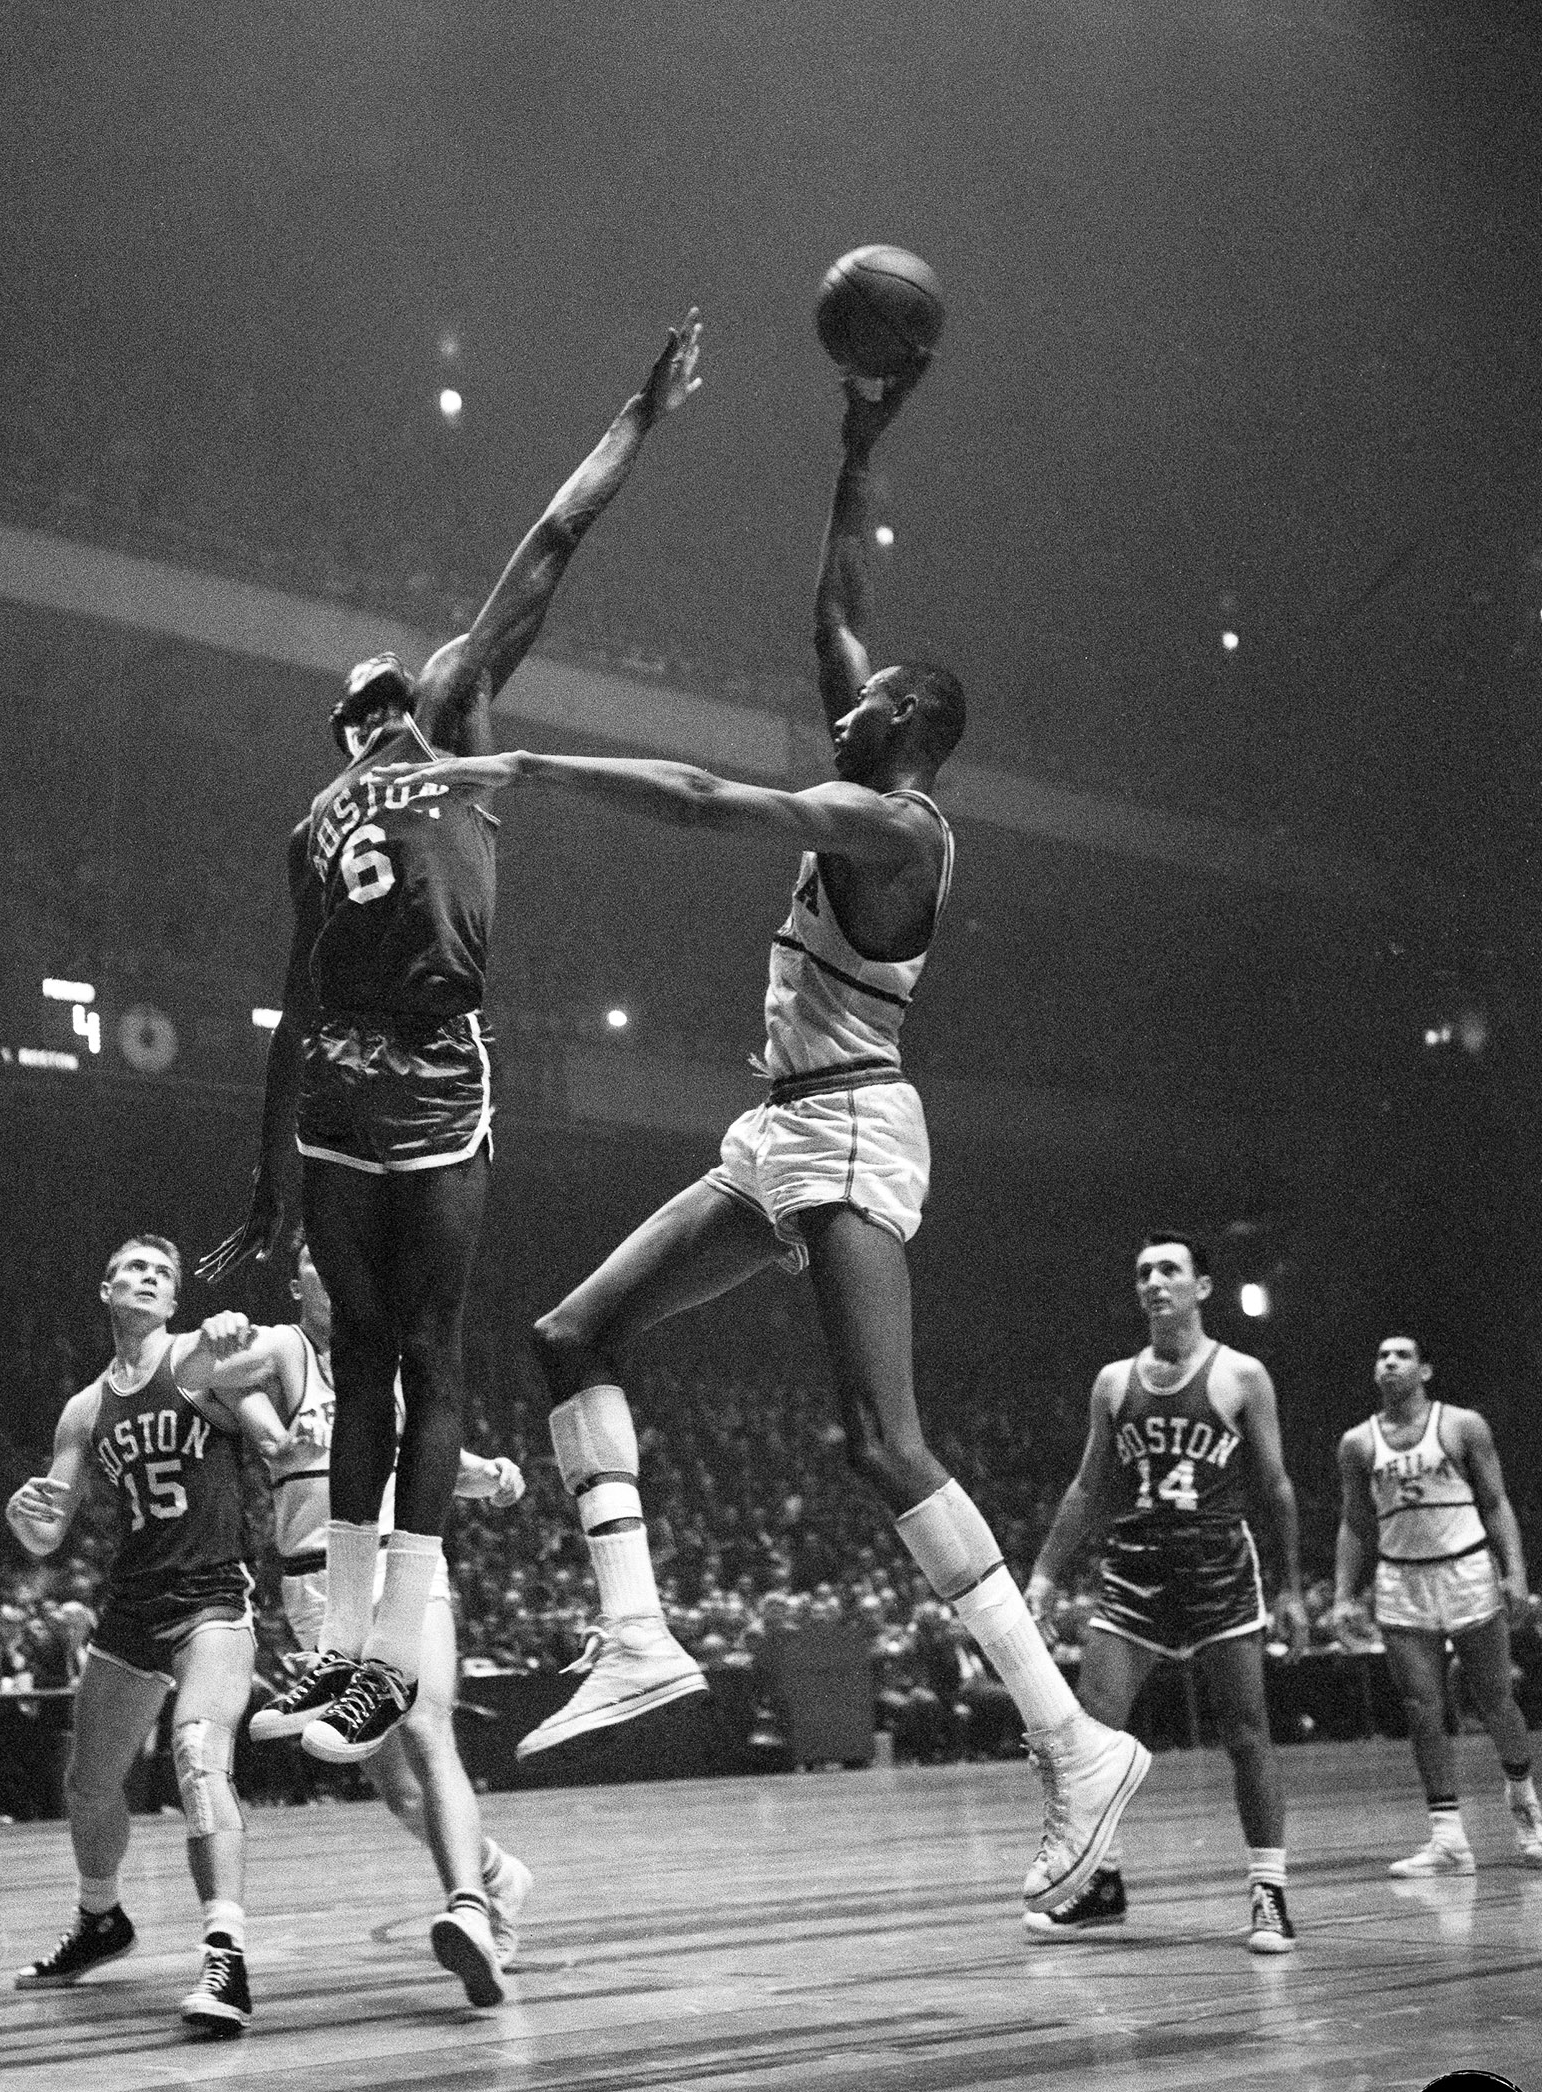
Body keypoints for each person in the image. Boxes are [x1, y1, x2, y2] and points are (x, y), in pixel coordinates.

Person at [389, 365, 1147, 1916]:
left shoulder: (897, 827)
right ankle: (638, 1632)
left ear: (907, 731)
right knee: (571, 1334)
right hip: (778, 1132)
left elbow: (690, 797)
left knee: (881, 1442)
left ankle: (1071, 1740)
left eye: (863, 705)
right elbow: (837, 612)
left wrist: (527, 764)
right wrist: (857, 441)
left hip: (857, 1129)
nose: (838, 701)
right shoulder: (877, 750)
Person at [201, 312, 705, 1766]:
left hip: (335, 1091)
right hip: (429, 1068)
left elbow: (292, 1009)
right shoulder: (454, 719)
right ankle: (394, 1667)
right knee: (434, 1355)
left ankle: (338, 1655)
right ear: (405, 705)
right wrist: (641, 410)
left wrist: (267, 1188)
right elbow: (549, 541)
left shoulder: (311, 820)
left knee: (362, 1361)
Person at [223, 1242, 534, 2004]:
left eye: (342, 1263)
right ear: (296, 1281)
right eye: (315, 1263)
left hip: (400, 1564)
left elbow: (434, 1458)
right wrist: (215, 1344)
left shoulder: (390, 1368)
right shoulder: (278, 1352)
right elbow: (234, 1400)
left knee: (427, 1728)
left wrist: (489, 1474)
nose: (332, 1273)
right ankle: (497, 1872)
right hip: (317, 1592)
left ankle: (469, 1911)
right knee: (395, 1790)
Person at [7, 1235, 286, 2039]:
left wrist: (236, 1335)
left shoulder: (198, 1357)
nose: (149, 1278)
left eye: (162, 1274)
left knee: (199, 1755)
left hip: (211, 1596)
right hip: (131, 1600)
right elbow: (47, 1533)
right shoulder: (85, 1409)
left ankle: (226, 1954)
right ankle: (102, 1919)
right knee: (89, 1784)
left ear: (172, 1303)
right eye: (135, 1268)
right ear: (107, 1290)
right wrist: (24, 1523)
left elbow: (253, 1371)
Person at [1023, 1232, 1309, 1952]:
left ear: (1201, 1288)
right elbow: (1089, 1486)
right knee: (1086, 1739)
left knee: (1246, 1734)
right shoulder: (1114, 1381)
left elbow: (1274, 1486)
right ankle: (1103, 1885)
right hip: (1135, 1570)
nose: (1155, 1282)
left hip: (1218, 1566)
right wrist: (1046, 1574)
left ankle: (1269, 1893)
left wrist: (1296, 1587)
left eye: (1169, 1271)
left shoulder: (1244, 1375)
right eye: (1144, 1271)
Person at [1331, 1332, 1541, 1874]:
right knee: (1422, 1709)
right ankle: (1448, 1838)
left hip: (1467, 1568)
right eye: (1381, 1356)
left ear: (1425, 1370)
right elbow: (1355, 1525)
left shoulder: (1462, 1425)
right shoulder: (1357, 1442)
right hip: (1401, 1580)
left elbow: (1495, 1502)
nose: (1389, 1363)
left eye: (1402, 1356)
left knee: (1496, 1700)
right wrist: (1342, 1594)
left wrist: (1515, 1572)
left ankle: (1526, 1808)